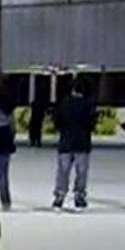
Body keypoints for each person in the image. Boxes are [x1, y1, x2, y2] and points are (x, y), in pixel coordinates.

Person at [52, 79, 97, 209]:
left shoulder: (64, 103)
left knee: (63, 171)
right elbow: (92, 123)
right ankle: (79, 195)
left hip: (66, 142)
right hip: (82, 143)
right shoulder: (88, 104)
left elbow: (57, 121)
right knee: (81, 172)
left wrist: (63, 129)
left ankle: (60, 195)